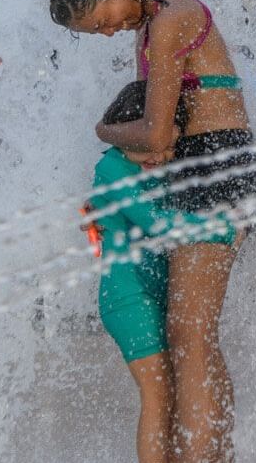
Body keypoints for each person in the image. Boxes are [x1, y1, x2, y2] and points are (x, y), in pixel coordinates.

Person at [49, 0, 256, 462]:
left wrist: (103, 130)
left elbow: (155, 134)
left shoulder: (170, 18)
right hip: (199, 170)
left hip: (219, 168)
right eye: (94, 32)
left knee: (190, 339)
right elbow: (157, 137)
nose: (105, 32)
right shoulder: (150, 19)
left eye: (99, 21)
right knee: (193, 338)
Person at [86, 81, 228, 463]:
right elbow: (159, 223)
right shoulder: (112, 167)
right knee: (157, 396)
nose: (159, 156)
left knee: (176, 392)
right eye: (148, 147)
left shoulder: (156, 161)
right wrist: (225, 227)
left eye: (167, 146)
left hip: (157, 289)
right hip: (128, 297)